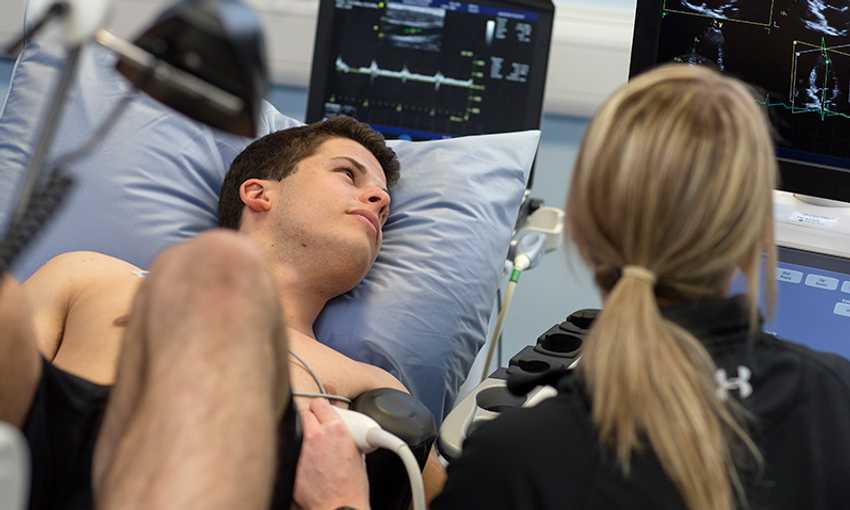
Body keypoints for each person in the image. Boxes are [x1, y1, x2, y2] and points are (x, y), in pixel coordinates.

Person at [293, 65, 850, 510]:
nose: (377, 199)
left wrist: (339, 503)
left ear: (582, 229)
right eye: (347, 174)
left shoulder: (514, 461)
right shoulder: (835, 402)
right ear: (757, 226)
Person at [0, 115, 444, 510]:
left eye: (384, 206)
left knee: (222, 270)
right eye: (348, 174)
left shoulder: (377, 391)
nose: (377, 201)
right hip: (46, 467)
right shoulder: (88, 275)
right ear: (258, 193)